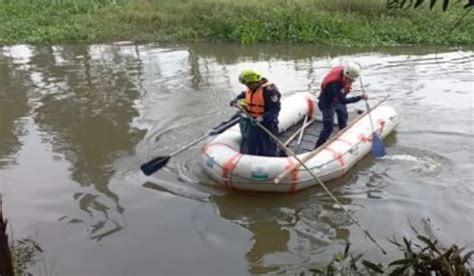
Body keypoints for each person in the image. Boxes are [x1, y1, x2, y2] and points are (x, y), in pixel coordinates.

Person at [314, 62, 368, 149]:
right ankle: (317, 147)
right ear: (344, 75)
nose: (348, 82)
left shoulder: (346, 71)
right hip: (327, 102)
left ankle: (342, 140)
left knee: (343, 118)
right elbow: (343, 101)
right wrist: (360, 97)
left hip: (337, 100)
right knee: (328, 126)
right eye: (347, 79)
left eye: (351, 80)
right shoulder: (334, 84)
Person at [229, 69, 281, 156]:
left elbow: (275, 109)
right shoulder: (251, 88)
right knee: (251, 144)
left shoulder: (269, 91)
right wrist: (235, 99)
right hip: (253, 122)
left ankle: (273, 159)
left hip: (267, 124)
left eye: (249, 84)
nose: (247, 86)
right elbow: (244, 94)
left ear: (255, 81)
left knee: (268, 148)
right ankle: (252, 160)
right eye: (246, 85)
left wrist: (262, 118)